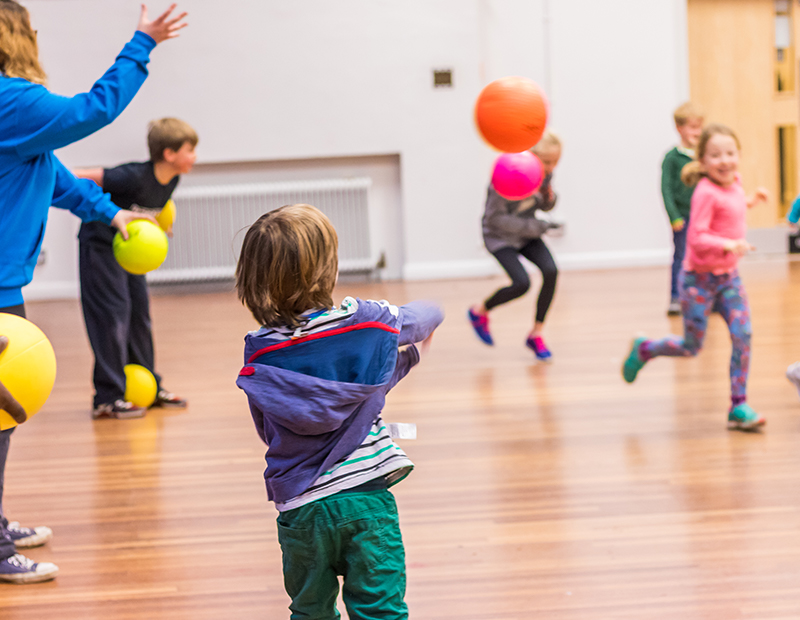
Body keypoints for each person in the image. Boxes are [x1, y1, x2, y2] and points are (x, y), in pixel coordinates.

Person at [0, 0, 187, 583]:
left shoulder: (15, 117)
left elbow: (53, 176)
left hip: (6, 283)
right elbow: (94, 110)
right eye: (30, 28)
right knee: (0, 414)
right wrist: (143, 43)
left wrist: (112, 216)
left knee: (2, 418)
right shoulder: (10, 99)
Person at [235, 204, 443, 619]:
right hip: (365, 496)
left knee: (310, 611)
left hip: (300, 505)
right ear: (324, 268)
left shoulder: (260, 349)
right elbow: (423, 319)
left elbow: (270, 425)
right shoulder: (367, 322)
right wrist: (416, 344)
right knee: (380, 610)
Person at [622, 124, 768, 431]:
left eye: (730, 153)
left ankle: (738, 405)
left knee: (743, 335)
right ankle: (646, 348)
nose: (725, 160)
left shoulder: (735, 182)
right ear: (702, 162)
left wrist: (752, 200)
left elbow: (734, 207)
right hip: (697, 281)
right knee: (692, 346)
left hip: (728, 279)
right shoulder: (704, 192)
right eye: (716, 155)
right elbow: (697, 236)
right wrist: (728, 244)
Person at [73, 118, 198, 419]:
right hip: (100, 248)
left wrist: (163, 224)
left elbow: (154, 207)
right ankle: (108, 398)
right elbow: (75, 177)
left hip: (133, 254)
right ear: (169, 154)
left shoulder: (171, 180)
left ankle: (150, 388)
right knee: (112, 318)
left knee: (139, 316)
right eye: (190, 150)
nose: (194, 156)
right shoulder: (131, 175)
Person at [468, 131, 563, 360]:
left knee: (551, 271)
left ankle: (536, 334)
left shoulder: (544, 175)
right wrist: (537, 226)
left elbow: (542, 206)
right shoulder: (505, 176)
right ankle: (479, 312)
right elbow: (495, 219)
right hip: (499, 237)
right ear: (532, 157)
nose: (551, 168)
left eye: (555, 162)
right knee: (522, 283)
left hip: (525, 234)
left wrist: (549, 199)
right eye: (547, 162)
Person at [662, 103, 704, 316]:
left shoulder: (705, 156)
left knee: (705, 257)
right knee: (681, 257)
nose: (697, 131)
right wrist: (674, 215)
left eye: (699, 126)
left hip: (704, 217)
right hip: (684, 217)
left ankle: (704, 296)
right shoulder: (672, 157)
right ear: (679, 128)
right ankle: (676, 297)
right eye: (692, 127)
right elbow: (666, 189)